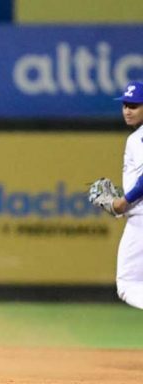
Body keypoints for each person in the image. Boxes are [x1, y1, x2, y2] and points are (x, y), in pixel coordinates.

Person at [102, 81, 143, 309]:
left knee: (127, 284)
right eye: (125, 104)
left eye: (135, 106)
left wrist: (122, 202)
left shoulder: (138, 139)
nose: (127, 110)